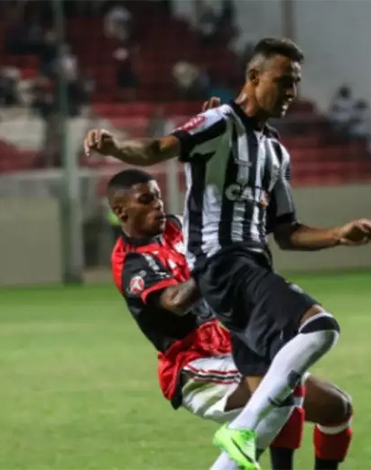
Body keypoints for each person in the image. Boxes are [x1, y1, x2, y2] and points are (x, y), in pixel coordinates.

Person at [84, 37, 371, 470]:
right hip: (222, 283)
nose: (291, 93)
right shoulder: (219, 126)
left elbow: (288, 232)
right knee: (319, 329)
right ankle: (242, 429)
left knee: (314, 402)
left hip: (236, 308)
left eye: (296, 83)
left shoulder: (275, 153)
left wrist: (339, 234)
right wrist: (114, 148)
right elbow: (156, 150)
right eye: (283, 82)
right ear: (254, 77)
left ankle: (241, 440)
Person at [107, 169, 353, 470]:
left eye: (157, 196)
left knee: (336, 408)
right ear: (120, 210)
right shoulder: (131, 260)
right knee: (282, 395)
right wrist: (217, 260)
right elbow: (176, 303)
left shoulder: (176, 227)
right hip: (194, 366)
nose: (157, 204)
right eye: (146, 200)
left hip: (231, 344)